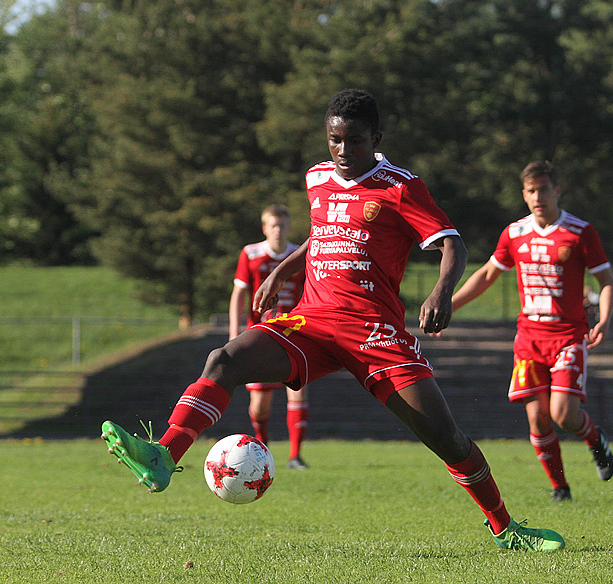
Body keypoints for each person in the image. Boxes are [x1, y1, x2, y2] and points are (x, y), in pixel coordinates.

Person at [101, 89, 564, 551]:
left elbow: (452, 244)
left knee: (444, 437)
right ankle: (164, 454)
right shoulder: (317, 178)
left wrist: (442, 291)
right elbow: (322, 235)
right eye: (334, 140)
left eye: (355, 141)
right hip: (312, 322)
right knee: (223, 358)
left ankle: (506, 528)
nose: (343, 152)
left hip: (374, 330)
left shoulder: (400, 186)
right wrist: (283, 270)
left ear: (376, 138)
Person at [448, 160, 613, 503]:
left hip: (569, 336)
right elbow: (487, 275)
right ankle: (560, 488)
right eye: (531, 191)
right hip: (528, 339)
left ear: (556, 190)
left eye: (543, 189)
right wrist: (449, 304)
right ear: (524, 195)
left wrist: (606, 319)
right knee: (538, 419)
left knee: (562, 415)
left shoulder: (580, 231)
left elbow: (606, 280)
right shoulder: (514, 233)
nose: (537, 196)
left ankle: (595, 440)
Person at [229, 204, 309, 468]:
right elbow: (239, 293)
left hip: (294, 335)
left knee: (298, 392)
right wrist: (234, 332)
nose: (278, 230)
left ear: (288, 227)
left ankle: (295, 456)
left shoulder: (299, 254)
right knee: (260, 404)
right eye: (273, 226)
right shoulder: (251, 254)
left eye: (283, 225)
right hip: (261, 336)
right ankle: (262, 443)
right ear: (265, 228)